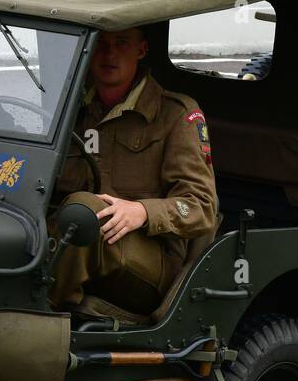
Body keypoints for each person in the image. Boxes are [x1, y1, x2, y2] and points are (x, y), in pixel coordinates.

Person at [50, 27, 218, 317]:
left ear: (140, 51)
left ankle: (36, 308)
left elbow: (201, 207)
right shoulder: (70, 107)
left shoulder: (175, 115)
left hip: (152, 261)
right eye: (100, 43)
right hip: (73, 240)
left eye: (121, 43)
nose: (109, 53)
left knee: (84, 210)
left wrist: (143, 211)